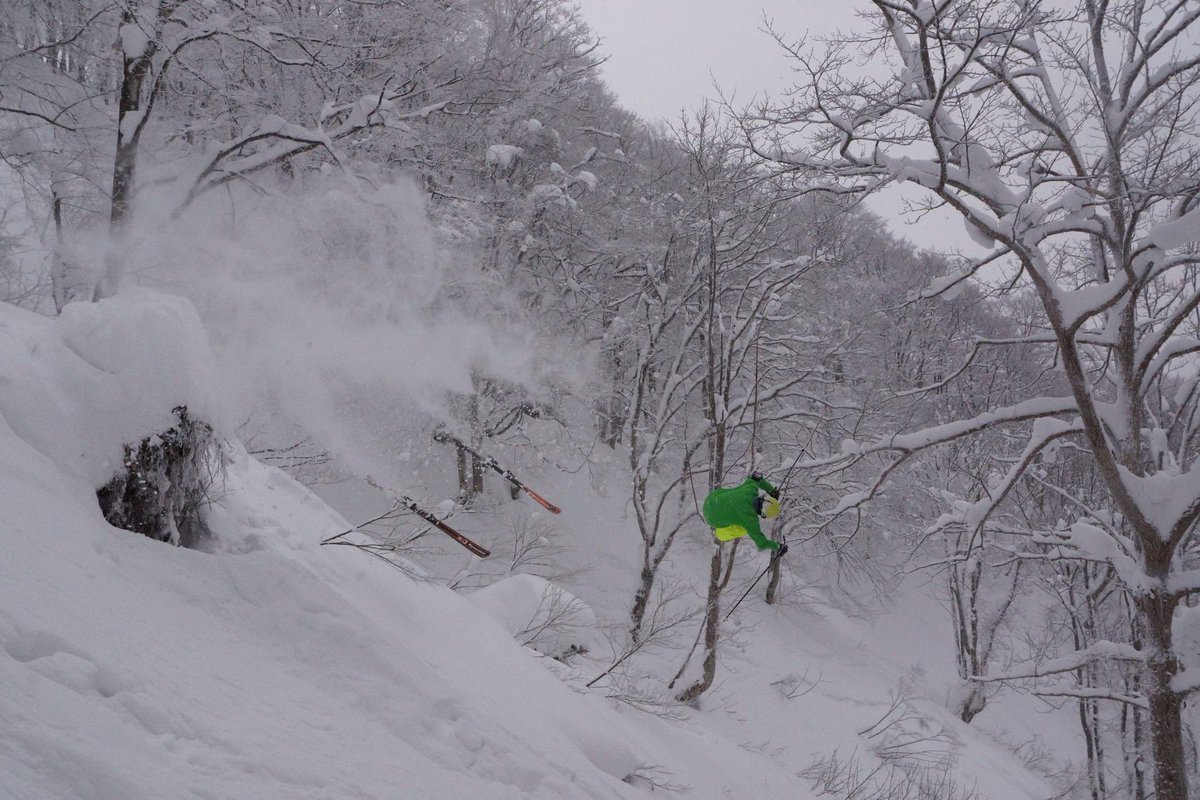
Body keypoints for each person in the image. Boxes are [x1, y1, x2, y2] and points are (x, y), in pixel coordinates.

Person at [702, 471, 787, 556]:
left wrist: (771, 490)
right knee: (744, 530)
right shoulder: (750, 520)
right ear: (763, 515)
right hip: (711, 519)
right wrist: (778, 547)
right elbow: (762, 544)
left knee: (735, 494)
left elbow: (756, 477)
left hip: (710, 499)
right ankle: (720, 534)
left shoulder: (751, 489)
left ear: (765, 498)